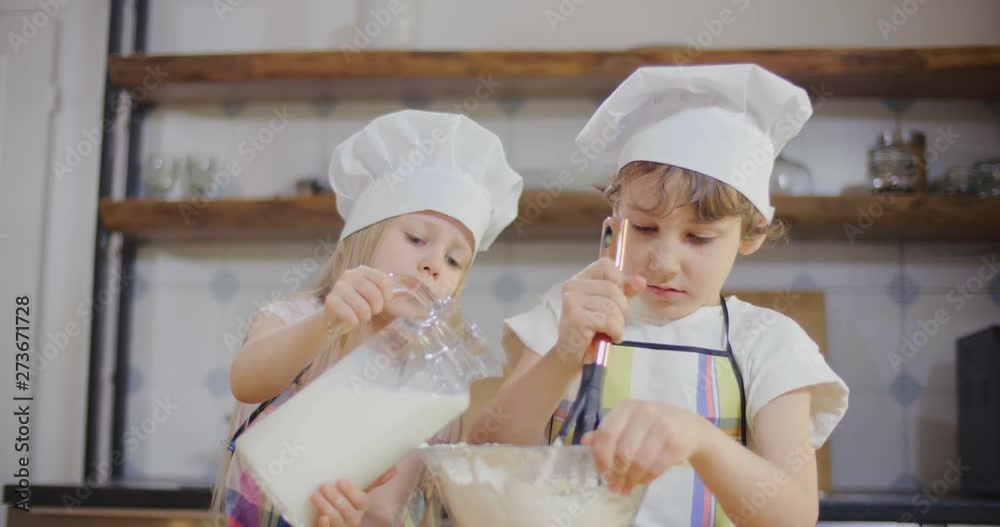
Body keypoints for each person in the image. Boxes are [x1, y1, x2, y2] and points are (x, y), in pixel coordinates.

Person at [465, 65, 849, 526]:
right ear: (615, 217)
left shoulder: (767, 343)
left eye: (699, 237)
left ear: (752, 235)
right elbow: (488, 450)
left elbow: (793, 517)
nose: (665, 261)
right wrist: (564, 355)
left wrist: (701, 440)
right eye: (645, 228)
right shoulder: (565, 313)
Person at [210, 109, 523, 527]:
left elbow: (385, 512)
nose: (434, 265)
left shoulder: (429, 389)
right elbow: (247, 380)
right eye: (416, 239)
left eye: (454, 261)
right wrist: (327, 324)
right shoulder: (297, 319)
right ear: (363, 236)